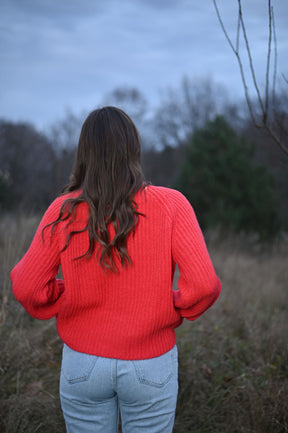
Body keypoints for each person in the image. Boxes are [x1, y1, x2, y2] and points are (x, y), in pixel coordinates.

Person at [11, 106, 221, 433]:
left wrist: (67, 294)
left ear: (84, 153)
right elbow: (205, 285)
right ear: (133, 149)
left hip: (83, 364)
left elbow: (26, 287)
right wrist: (169, 304)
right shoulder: (172, 205)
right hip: (150, 364)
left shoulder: (64, 209)